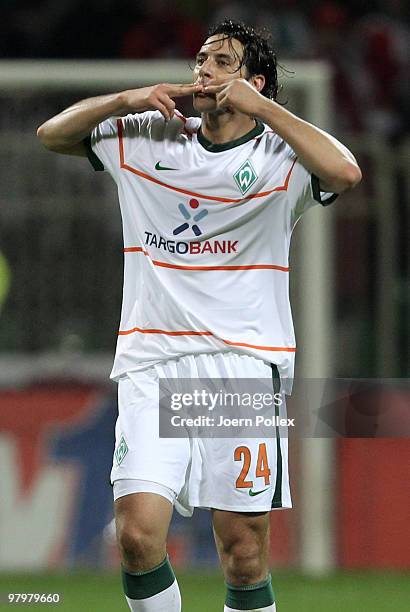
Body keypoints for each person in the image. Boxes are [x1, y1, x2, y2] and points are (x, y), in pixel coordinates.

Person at [37, 19, 361, 612]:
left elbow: (345, 172)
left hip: (241, 366)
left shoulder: (278, 159)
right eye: (200, 60)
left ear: (254, 81)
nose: (203, 72)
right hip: (152, 362)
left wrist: (264, 110)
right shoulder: (148, 138)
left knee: (242, 551)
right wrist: (126, 100)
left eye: (221, 62)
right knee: (136, 536)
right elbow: (52, 134)